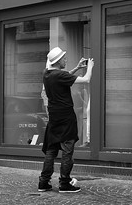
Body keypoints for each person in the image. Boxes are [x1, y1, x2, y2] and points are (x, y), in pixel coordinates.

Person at [38, 47, 94, 193]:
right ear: (58, 61)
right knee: (67, 151)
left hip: (54, 118)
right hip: (66, 118)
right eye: (64, 58)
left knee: (51, 149)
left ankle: (43, 182)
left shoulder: (47, 74)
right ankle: (64, 183)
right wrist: (90, 67)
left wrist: (76, 68)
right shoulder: (59, 75)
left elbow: (63, 76)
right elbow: (86, 79)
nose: (66, 60)